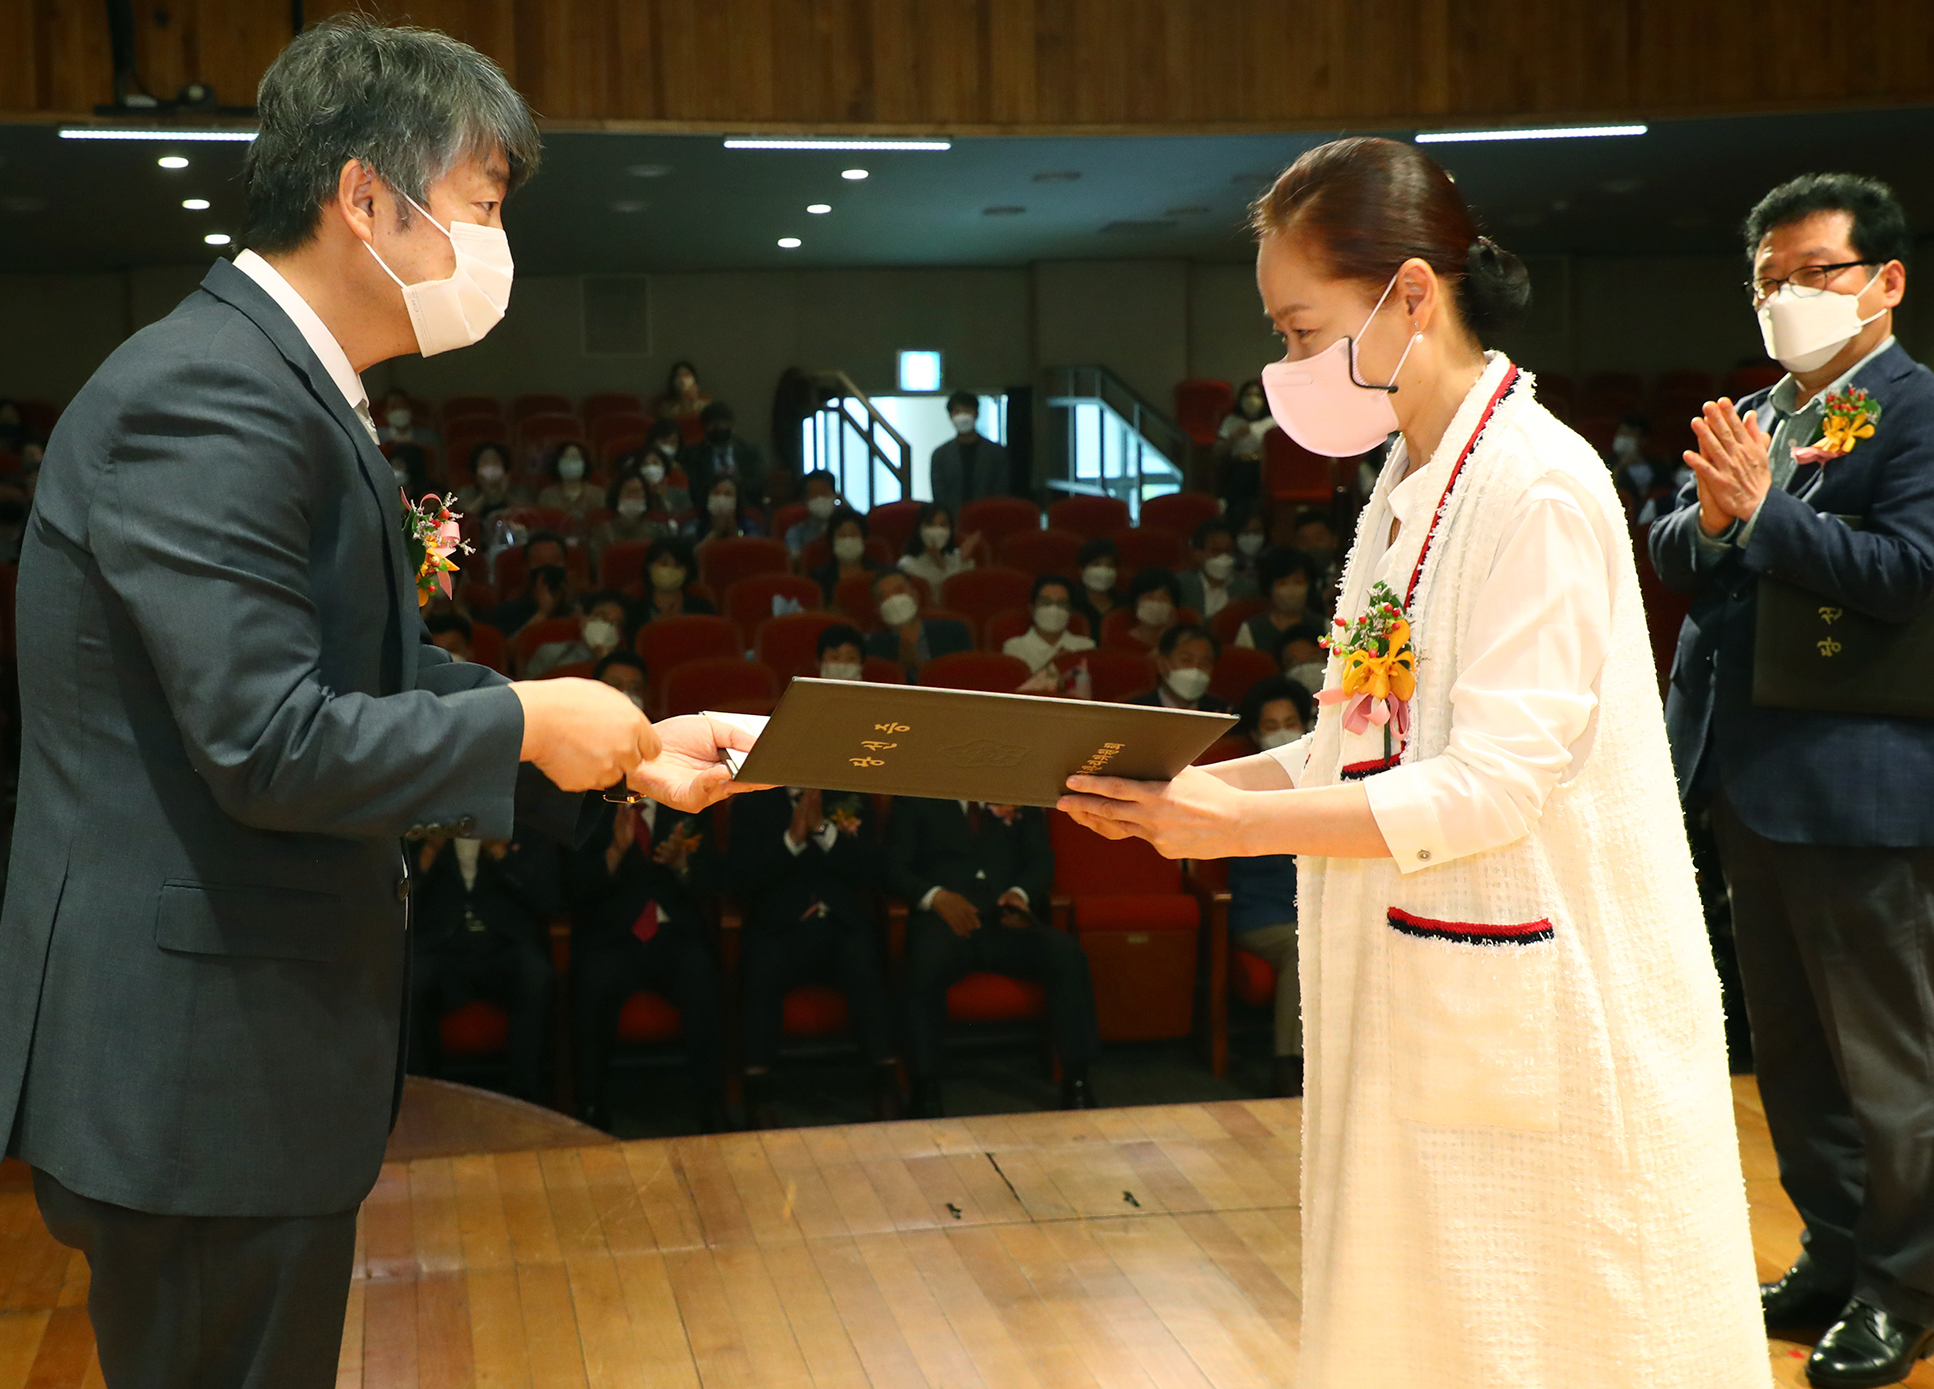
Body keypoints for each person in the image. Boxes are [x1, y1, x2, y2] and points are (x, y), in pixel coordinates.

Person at [0, 15, 756, 1389]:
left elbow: (359, 681)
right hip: (195, 1062)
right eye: (483, 205)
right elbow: (267, 740)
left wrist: (618, 742)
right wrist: (523, 723)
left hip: (234, 1043)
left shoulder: (281, 386)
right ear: (365, 200)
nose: (496, 244)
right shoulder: (210, 396)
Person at [1059, 136, 1766, 1389]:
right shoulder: (1410, 476)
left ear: (1413, 297)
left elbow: (1494, 784)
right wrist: (1203, 793)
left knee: (1553, 1334)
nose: (1285, 366)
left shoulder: (1537, 484)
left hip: (1540, 994)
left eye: (1298, 328)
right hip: (1420, 970)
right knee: (1416, 1324)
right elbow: (1358, 743)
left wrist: (1232, 831)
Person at [1650, 171, 1934, 1388]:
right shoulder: (1760, 410)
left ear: (1884, 281)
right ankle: (1832, 1250)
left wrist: (1760, 519)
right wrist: (1716, 523)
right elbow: (1670, 545)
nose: (1785, 297)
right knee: (1793, 1056)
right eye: (1767, 280)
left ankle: (1903, 1286)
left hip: (1863, 783)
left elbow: (1910, 573)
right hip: (1747, 771)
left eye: (1812, 272)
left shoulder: (1919, 410)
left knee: (1888, 1062)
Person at [568, 651, 724, 1132]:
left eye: (634, 686)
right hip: (612, 933)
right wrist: (613, 854)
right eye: (614, 685)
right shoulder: (574, 776)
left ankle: (711, 1112)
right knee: (592, 980)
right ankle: (590, 1112)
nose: (626, 696)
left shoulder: (683, 765)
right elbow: (566, 886)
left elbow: (716, 876)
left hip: (673, 929)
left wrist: (683, 866)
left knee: (703, 972)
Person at [889, 796, 1097, 1118]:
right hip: (947, 922)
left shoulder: (1016, 792)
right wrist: (936, 897)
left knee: (1066, 954)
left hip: (1005, 919)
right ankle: (924, 1088)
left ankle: (1078, 1079)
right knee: (921, 965)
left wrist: (1021, 894)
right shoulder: (917, 795)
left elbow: (1041, 862)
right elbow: (893, 867)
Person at [728, 786, 898, 1126]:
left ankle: (886, 1089)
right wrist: (791, 840)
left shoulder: (851, 797)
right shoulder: (751, 804)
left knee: (864, 957)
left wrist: (823, 830)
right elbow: (741, 880)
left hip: (839, 922)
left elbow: (872, 869)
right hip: (780, 927)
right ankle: (758, 1096)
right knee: (762, 964)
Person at [408, 823, 562, 1103]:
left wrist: (499, 852)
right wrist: (431, 848)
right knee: (413, 978)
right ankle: (424, 1098)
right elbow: (401, 896)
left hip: (501, 945)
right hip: (444, 947)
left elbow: (547, 898)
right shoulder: (425, 819)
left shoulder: (523, 819)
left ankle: (525, 1098)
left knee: (534, 972)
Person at [1226, 674, 1314, 1097]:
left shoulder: (1325, 780)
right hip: (1262, 914)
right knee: (1303, 945)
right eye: (1271, 725)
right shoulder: (1240, 787)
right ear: (1255, 733)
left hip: (1313, 910)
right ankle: (1288, 1065)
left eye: (1291, 721)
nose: (1282, 732)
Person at [862, 569, 969, 682]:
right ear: (877, 610)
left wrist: (918, 664)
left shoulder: (953, 632)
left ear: (915, 595)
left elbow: (963, 680)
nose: (894, 601)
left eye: (899, 591)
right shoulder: (872, 648)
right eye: (885, 597)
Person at [1003, 574, 1094, 694]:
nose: (1053, 609)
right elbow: (1017, 694)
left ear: (1070, 611)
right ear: (1032, 607)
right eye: (1046, 602)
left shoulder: (1085, 646)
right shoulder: (1015, 647)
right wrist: (1056, 666)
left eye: (1061, 604)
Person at [1233, 547, 1328, 663]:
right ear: (1270, 588)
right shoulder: (1250, 630)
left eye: (1298, 582)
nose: (1291, 590)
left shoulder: (1325, 626)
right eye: (1283, 583)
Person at [928, 390, 1008, 512]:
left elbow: (1001, 492)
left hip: (988, 518)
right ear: (950, 417)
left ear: (976, 414)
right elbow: (939, 497)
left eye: (967, 411)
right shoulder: (940, 455)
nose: (963, 416)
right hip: (953, 522)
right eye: (957, 412)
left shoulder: (996, 453)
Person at [1126, 623, 1233, 714]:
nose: (1195, 669)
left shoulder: (1224, 713)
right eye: (1186, 660)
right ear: (1162, 664)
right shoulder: (1136, 712)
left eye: (1205, 663)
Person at [525, 590, 631, 679]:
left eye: (615, 623)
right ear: (584, 621)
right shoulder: (550, 653)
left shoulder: (626, 668)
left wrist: (603, 659)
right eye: (601, 617)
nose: (607, 627)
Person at [679, 401, 764, 510]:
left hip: (745, 507)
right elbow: (695, 489)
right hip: (708, 509)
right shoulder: (693, 455)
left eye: (724, 424)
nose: (720, 428)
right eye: (714, 425)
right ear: (705, 428)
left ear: (732, 425)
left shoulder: (749, 451)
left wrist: (734, 491)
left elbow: (757, 482)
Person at [1178, 516, 1259, 618]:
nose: (1223, 557)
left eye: (1227, 551)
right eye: (1216, 551)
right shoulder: (1182, 587)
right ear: (1198, 554)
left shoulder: (1248, 590)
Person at [1214, 377, 1273, 512]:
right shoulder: (1231, 420)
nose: (1252, 400)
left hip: (1263, 467)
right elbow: (1217, 451)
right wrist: (1233, 437)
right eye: (1248, 395)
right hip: (1238, 465)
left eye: (1257, 396)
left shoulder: (1271, 422)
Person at [897, 501, 983, 592]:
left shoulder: (959, 558)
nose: (937, 531)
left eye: (943, 525)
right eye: (930, 525)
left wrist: (963, 563)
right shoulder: (908, 565)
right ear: (919, 529)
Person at [592, 467, 672, 559]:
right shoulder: (603, 530)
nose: (633, 497)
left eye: (637, 492)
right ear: (617, 495)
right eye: (628, 492)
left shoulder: (657, 527)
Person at [808, 508, 882, 604]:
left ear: (863, 539)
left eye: (853, 534)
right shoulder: (818, 578)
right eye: (842, 535)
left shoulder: (879, 573)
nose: (848, 540)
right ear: (832, 540)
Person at [458, 439, 531, 524]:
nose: (491, 467)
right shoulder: (466, 492)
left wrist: (504, 492)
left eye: (495, 462)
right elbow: (465, 516)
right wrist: (485, 492)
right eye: (485, 463)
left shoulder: (519, 491)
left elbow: (526, 516)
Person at [534, 439, 602, 530]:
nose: (571, 462)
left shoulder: (598, 494)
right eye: (566, 458)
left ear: (584, 463)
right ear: (558, 463)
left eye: (575, 458)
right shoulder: (547, 496)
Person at [641, 536, 715, 619]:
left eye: (678, 565)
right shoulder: (634, 611)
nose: (670, 569)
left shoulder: (702, 608)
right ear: (649, 566)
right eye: (664, 563)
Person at [1116, 567, 1185, 652]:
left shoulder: (1182, 643)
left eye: (1163, 598)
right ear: (1136, 601)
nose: (1156, 603)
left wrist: (1169, 635)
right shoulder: (1121, 643)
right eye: (1149, 597)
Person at [782, 469, 841, 556]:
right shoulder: (796, 532)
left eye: (823, 493)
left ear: (834, 495)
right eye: (814, 494)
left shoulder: (847, 527)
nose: (820, 498)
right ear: (806, 500)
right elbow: (795, 562)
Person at [691, 473, 760, 542]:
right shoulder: (695, 528)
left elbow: (755, 547)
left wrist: (732, 529)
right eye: (716, 493)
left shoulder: (748, 525)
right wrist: (716, 532)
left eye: (728, 494)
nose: (721, 499)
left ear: (737, 501)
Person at [636, 437, 692, 519]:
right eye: (645, 464)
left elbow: (687, 521)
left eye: (655, 463)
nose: (650, 468)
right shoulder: (633, 495)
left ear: (664, 468)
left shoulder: (680, 495)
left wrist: (664, 499)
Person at [1073, 537, 1122, 627]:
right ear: (1081, 570)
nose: (1104, 571)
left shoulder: (1124, 605)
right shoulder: (1072, 605)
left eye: (1110, 565)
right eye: (1096, 564)